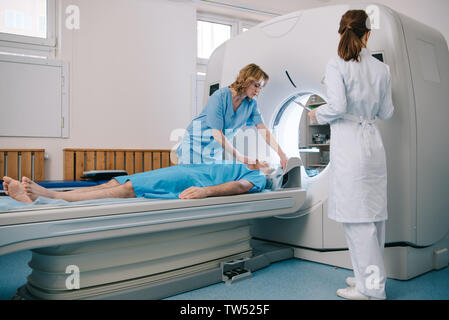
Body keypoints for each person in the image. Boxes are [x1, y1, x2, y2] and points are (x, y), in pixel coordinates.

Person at [308, 10, 394, 300]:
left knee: (358, 222)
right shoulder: (382, 69)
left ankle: (371, 291)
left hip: (351, 145)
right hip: (373, 145)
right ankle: (368, 277)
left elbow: (337, 105)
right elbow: (387, 112)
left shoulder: (337, 65)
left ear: (342, 33)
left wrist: (315, 114)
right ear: (367, 34)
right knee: (374, 218)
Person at [176, 63, 288, 170]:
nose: (257, 91)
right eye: (256, 85)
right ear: (246, 79)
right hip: (194, 144)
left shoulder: (251, 105)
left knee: (207, 184)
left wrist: (282, 154)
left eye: (260, 88)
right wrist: (239, 156)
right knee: (190, 181)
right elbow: (217, 134)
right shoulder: (220, 96)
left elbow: (265, 132)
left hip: (214, 150)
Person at [2, 161, 270, 204]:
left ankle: (51, 197)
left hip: (191, 179)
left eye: (265, 161)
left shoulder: (257, 175)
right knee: (116, 181)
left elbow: (240, 187)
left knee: (129, 188)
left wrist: (205, 191)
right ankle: (45, 194)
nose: (260, 159)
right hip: (184, 169)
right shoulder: (238, 163)